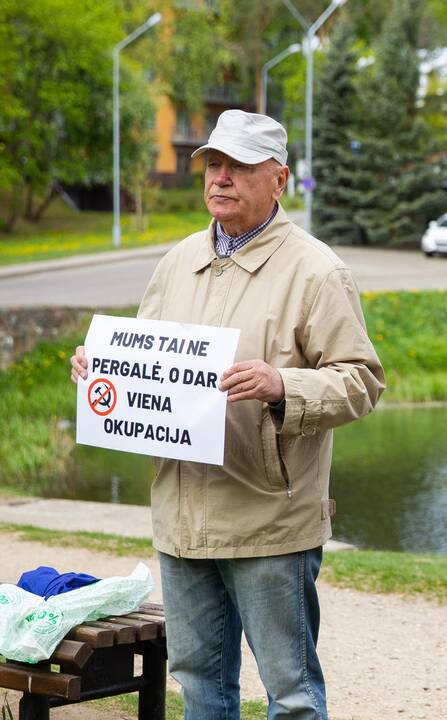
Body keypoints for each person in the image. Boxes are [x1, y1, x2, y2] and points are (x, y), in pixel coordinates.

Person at [70, 110, 385, 720]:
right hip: (182, 513)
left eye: (240, 166)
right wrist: (100, 365)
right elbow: (146, 360)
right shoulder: (178, 260)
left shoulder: (317, 271)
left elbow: (361, 382)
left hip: (271, 517)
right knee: (201, 687)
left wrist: (282, 385)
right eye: (214, 164)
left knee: (290, 694)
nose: (221, 177)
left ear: (280, 179)